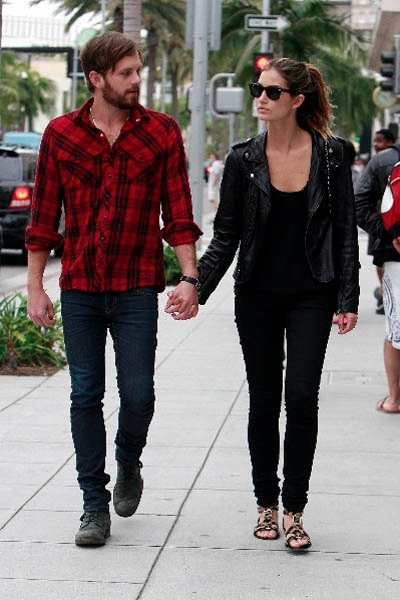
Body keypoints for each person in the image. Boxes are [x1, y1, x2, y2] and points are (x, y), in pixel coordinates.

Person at [172, 58, 359, 550]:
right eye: (258, 89)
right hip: (256, 293)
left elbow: (344, 235)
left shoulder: (334, 156)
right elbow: (226, 235)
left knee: (301, 395)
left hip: (312, 293)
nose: (260, 97)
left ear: (297, 101)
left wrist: (348, 298)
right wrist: (195, 282)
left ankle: (295, 509)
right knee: (263, 398)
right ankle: (266, 504)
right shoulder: (242, 159)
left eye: (272, 92)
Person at [25, 31, 202, 546]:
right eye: (126, 73)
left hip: (135, 288)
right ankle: (93, 505)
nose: (137, 80)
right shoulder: (61, 134)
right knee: (85, 394)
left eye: (139, 71)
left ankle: (128, 458)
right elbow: (42, 220)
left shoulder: (162, 132)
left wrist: (189, 279)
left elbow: (181, 215)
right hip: (80, 287)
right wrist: (36, 287)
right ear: (97, 79)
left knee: (140, 394)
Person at [355, 138, 400, 414]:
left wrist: (390, 234)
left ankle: (394, 399)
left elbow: (358, 204)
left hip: (396, 258)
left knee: (395, 327)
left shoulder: (383, 160)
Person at [366, 129, 398, 314]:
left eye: (380, 141)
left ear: (391, 142)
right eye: (375, 141)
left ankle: (386, 296)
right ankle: (385, 295)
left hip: (383, 223)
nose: (376, 145)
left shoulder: (381, 162)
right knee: (379, 260)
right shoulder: (377, 161)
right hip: (381, 223)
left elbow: (360, 201)